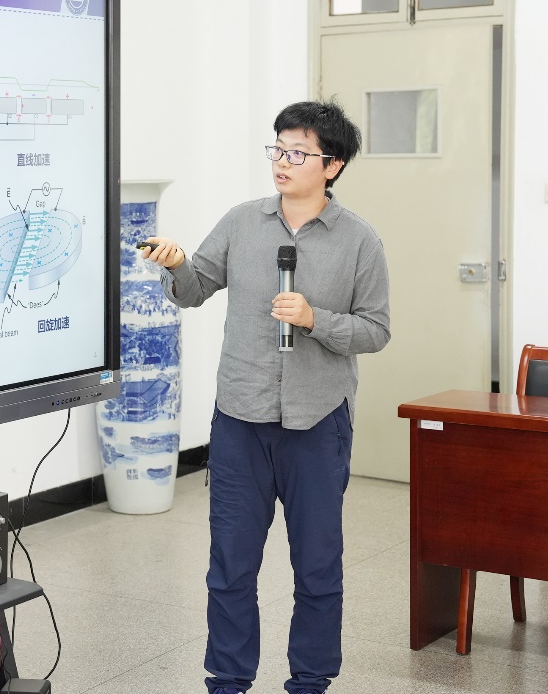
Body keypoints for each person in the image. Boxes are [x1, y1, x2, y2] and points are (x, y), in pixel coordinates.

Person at [143, 100, 390, 694]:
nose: (282, 162)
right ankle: (228, 680)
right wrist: (175, 264)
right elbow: (193, 288)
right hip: (240, 418)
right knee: (230, 565)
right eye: (278, 149)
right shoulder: (241, 222)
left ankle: (310, 680)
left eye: (298, 153)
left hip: (318, 421)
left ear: (332, 165)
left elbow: (376, 330)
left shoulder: (360, 241)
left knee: (318, 566)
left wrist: (315, 319)